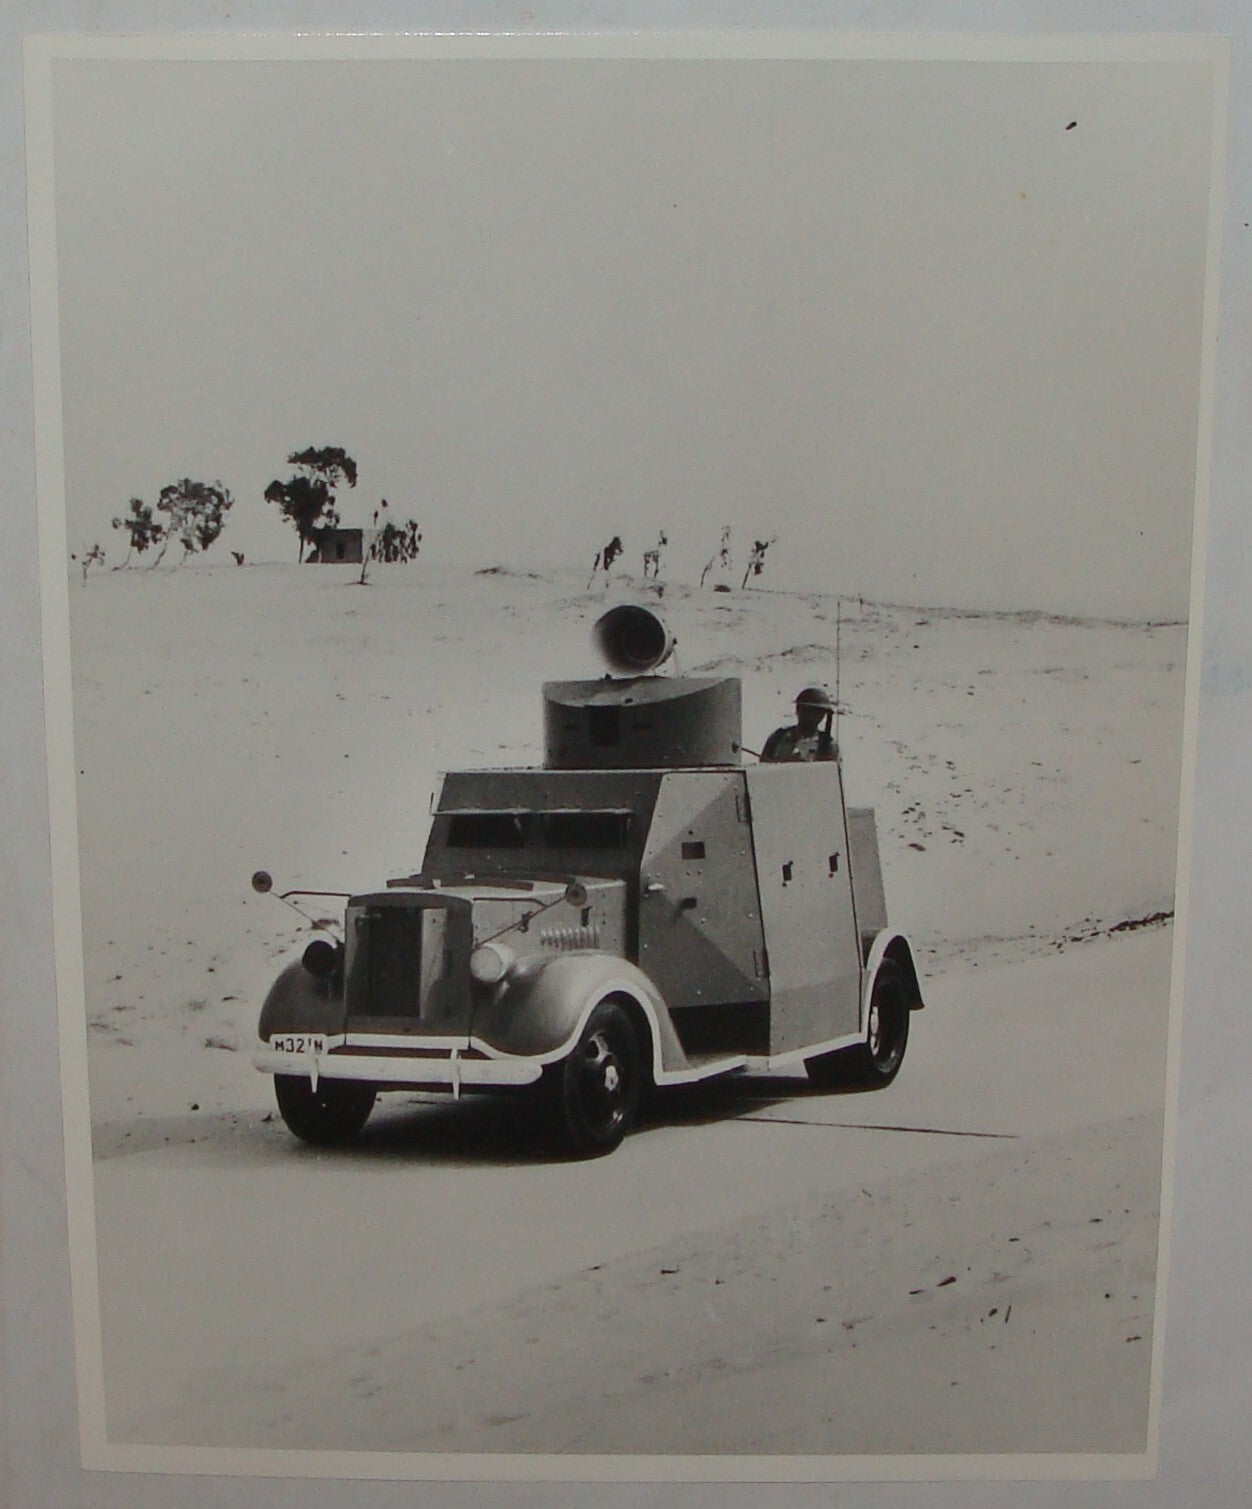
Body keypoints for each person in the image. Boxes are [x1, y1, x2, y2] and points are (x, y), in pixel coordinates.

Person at [761, 685, 838, 762]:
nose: (808, 715)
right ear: (798, 710)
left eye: (819, 712)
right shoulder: (778, 737)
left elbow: (830, 771)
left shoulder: (828, 745)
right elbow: (762, 768)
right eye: (804, 709)